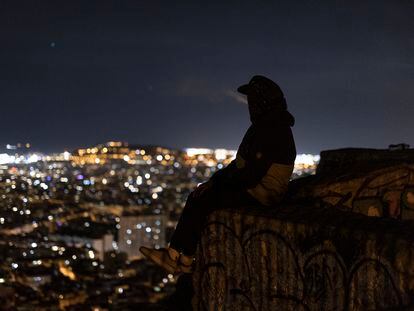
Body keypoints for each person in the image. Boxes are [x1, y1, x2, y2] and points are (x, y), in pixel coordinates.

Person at [140, 75, 296, 274]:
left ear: (262, 102)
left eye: (253, 100)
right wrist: (215, 180)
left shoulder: (272, 129)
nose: (250, 105)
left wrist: (218, 185)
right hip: (257, 189)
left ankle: (175, 258)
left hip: (262, 194)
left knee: (202, 199)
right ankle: (182, 259)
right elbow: (240, 166)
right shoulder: (265, 127)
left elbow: (250, 175)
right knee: (202, 195)